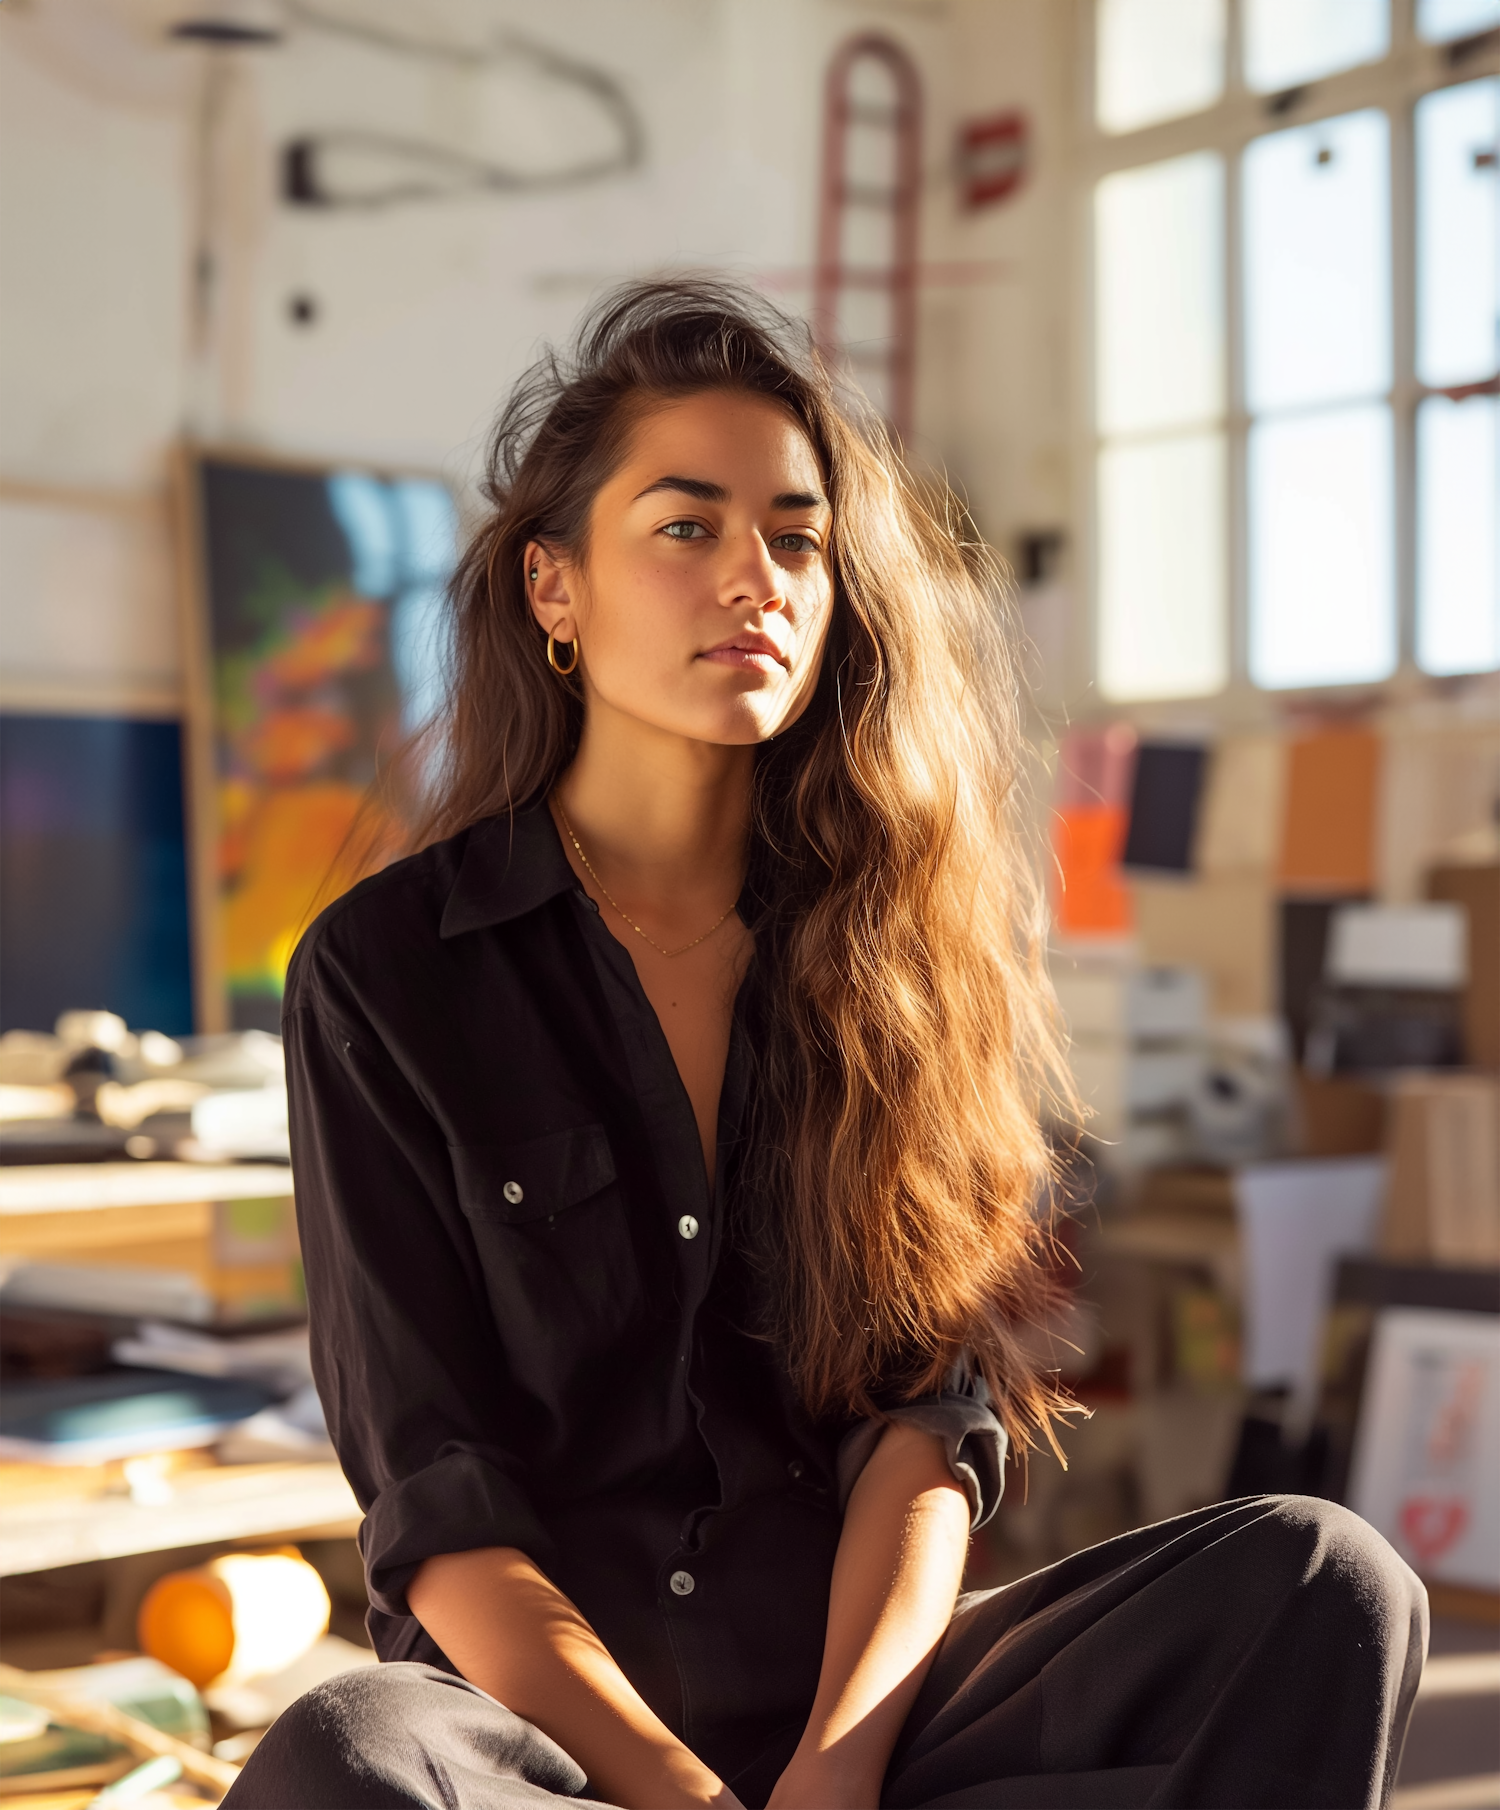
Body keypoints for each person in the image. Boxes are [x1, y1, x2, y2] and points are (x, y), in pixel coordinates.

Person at [225, 282, 1426, 1810]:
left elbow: (922, 1429)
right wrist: (688, 1797)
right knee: (347, 1752)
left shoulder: (902, 958)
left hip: (857, 1735)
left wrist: (835, 1770)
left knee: (1326, 1576)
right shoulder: (388, 971)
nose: (758, 578)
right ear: (553, 586)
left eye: (797, 539)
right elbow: (439, 1502)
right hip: (550, 1758)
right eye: (687, 525)